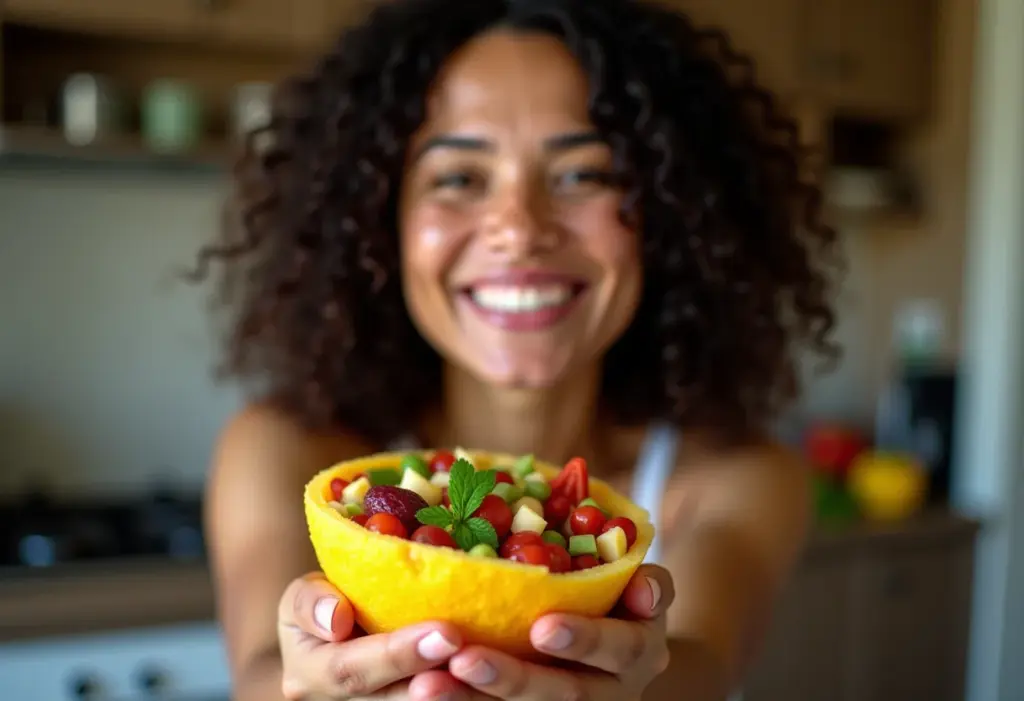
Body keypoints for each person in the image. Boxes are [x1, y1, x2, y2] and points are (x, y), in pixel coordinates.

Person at [191, 0, 840, 699]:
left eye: (582, 175)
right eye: (460, 178)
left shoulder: (742, 476)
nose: (519, 229)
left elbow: (704, 662)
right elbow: (261, 670)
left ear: (672, 218)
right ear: (382, 225)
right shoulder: (283, 450)